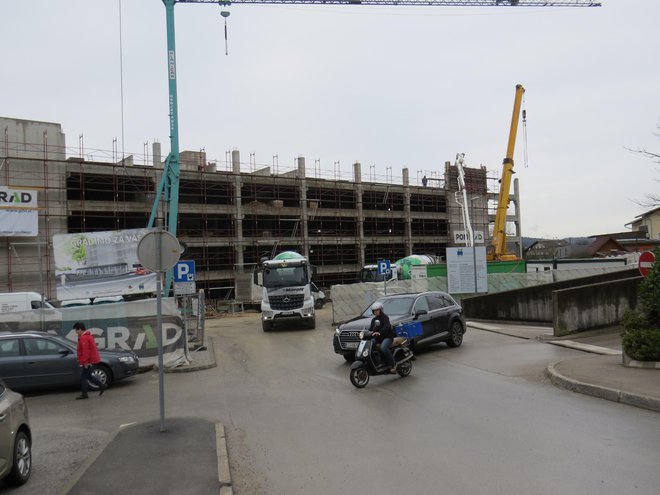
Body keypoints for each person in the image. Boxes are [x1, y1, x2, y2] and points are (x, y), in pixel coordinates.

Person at [74, 322, 106, 400]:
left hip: (89, 361)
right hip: (91, 360)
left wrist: (85, 362)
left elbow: (86, 351)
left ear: (80, 329)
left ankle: (84, 394)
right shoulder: (87, 336)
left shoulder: (84, 338)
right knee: (88, 376)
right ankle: (102, 385)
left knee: (83, 377)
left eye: (76, 330)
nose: (75, 332)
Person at [369, 302, 397, 373]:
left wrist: (379, 332)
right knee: (369, 345)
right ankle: (376, 362)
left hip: (387, 337)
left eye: (377, 310)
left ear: (381, 310)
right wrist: (365, 332)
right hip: (378, 338)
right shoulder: (373, 320)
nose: (376, 312)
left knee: (383, 348)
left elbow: (386, 327)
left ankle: (393, 364)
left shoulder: (385, 318)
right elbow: (371, 329)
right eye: (374, 310)